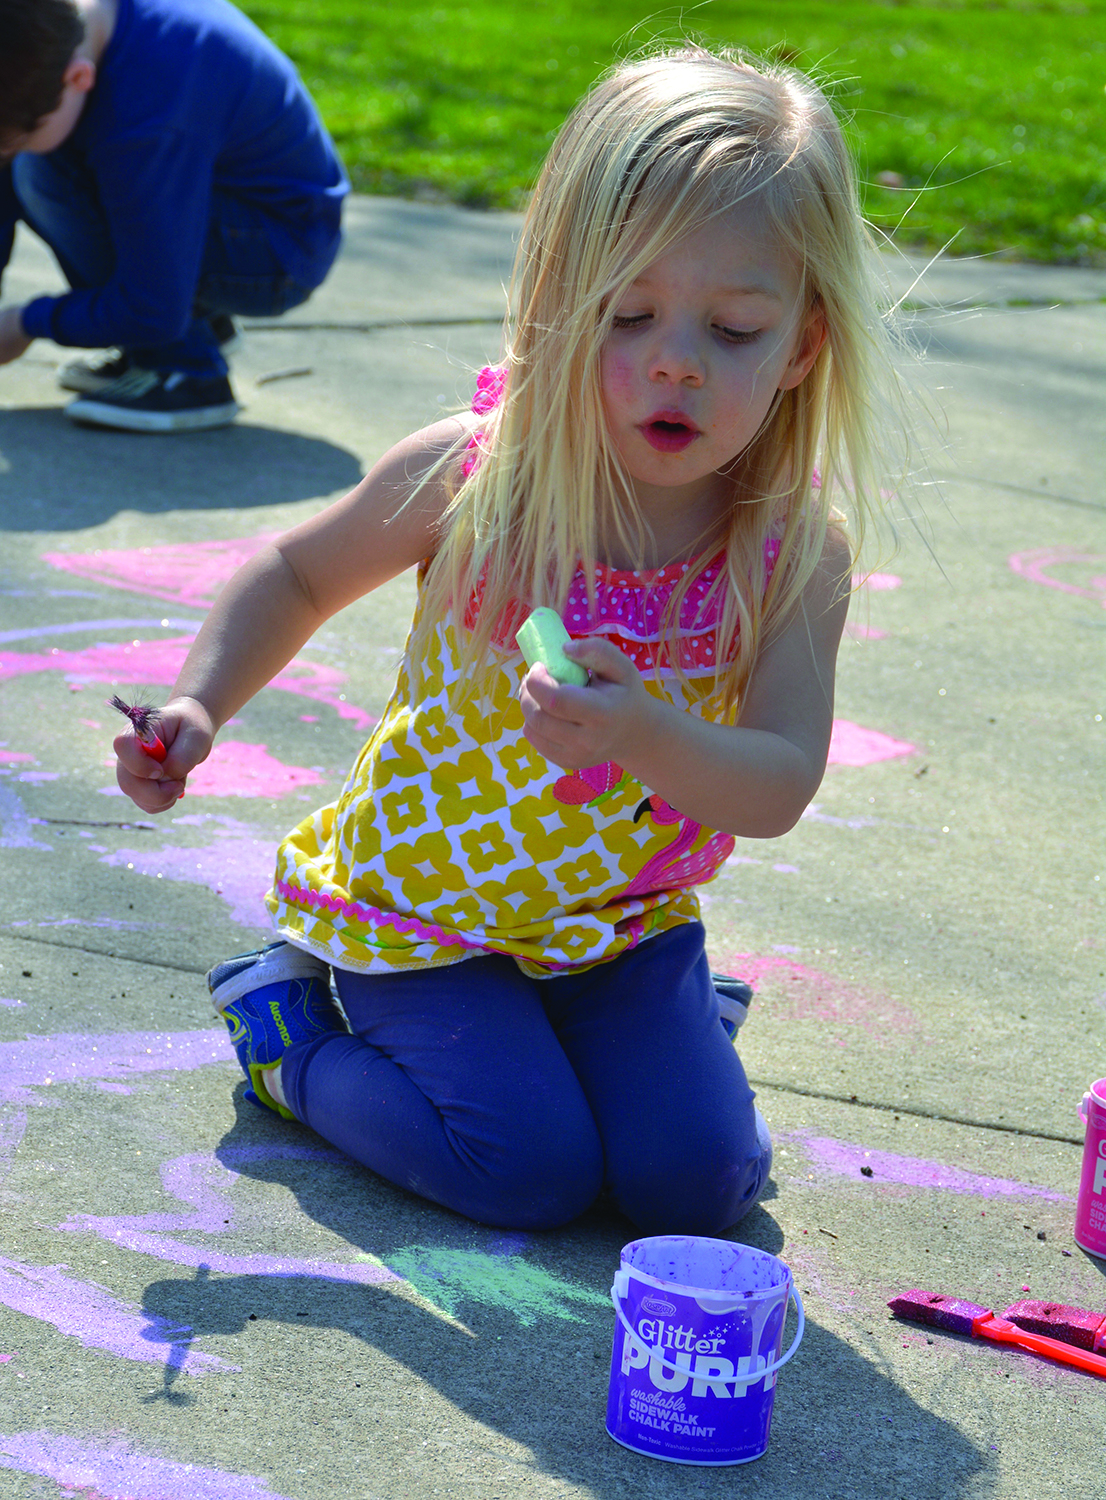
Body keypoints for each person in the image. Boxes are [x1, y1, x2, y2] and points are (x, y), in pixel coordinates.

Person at [113, 46, 908, 1233]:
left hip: (618, 923)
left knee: (698, 1187)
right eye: (627, 313)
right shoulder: (474, 480)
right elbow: (294, 573)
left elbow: (779, 783)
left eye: (734, 329)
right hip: (429, 919)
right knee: (523, 1173)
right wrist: (198, 707)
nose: (675, 359)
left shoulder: (788, 550)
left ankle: (663, 1037)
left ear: (801, 345)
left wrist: (644, 733)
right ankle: (285, 1031)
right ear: (552, 306)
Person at [0, 0, 347, 431]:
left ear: (78, 77)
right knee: (37, 157)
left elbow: (151, 307)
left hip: (280, 253)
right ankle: (201, 326)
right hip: (237, 212)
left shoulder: (149, 102)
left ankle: (185, 368)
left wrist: (24, 321)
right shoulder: (68, 26)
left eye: (12, 140)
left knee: (44, 172)